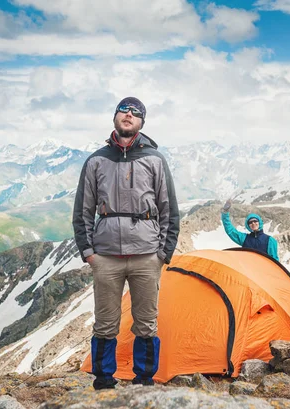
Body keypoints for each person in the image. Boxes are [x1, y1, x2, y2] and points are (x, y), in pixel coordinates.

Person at [73, 97, 180, 390]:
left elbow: (169, 208)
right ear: (115, 117)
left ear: (142, 123)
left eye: (136, 113)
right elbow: (82, 209)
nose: (129, 115)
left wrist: (163, 253)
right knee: (105, 323)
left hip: (147, 255)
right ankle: (104, 380)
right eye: (124, 110)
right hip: (106, 256)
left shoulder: (155, 159)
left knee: (146, 323)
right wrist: (88, 252)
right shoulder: (96, 160)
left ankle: (144, 380)